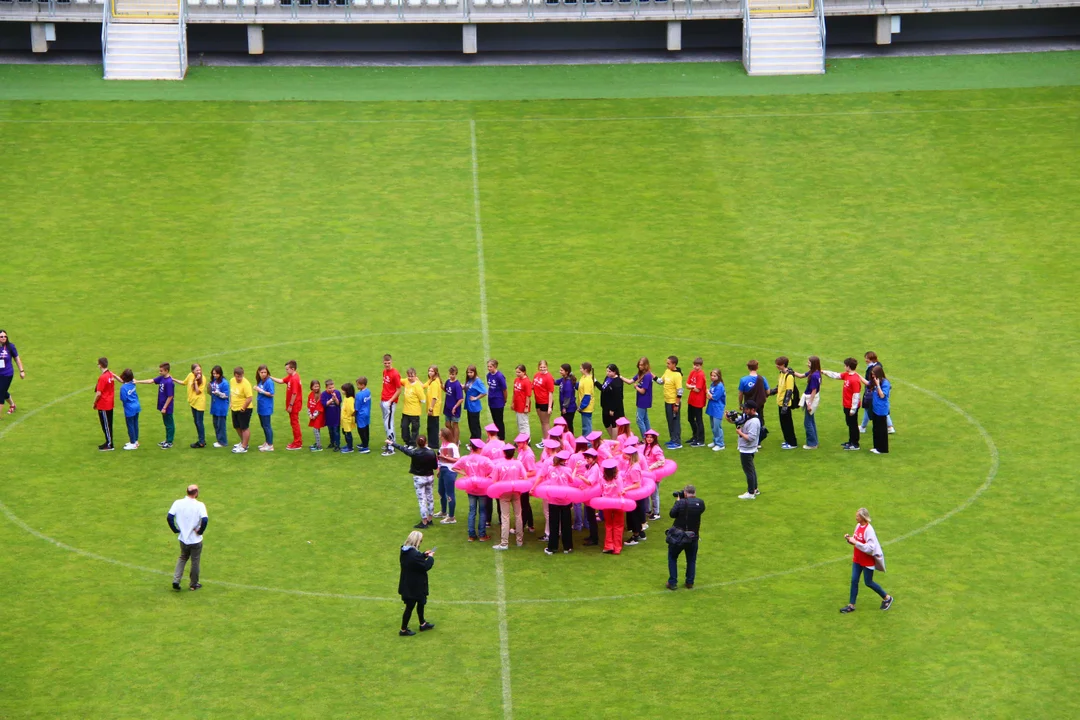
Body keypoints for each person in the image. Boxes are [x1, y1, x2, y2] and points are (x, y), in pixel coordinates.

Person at [840, 508, 893, 613]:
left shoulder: (869, 530)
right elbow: (856, 540)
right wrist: (849, 540)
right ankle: (851, 605)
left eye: (857, 516)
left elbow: (870, 548)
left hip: (866, 561)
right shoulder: (858, 526)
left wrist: (855, 542)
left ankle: (887, 598)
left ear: (863, 517)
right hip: (857, 559)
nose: (856, 517)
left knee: (868, 582)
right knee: (854, 580)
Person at [390, 435, 438, 528]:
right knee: (430, 497)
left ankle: (424, 522)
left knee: (422, 500)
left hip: (419, 478)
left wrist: (392, 443)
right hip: (429, 477)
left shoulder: (414, 453)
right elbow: (435, 467)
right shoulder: (431, 453)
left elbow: (403, 449)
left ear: (417, 443)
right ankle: (430, 518)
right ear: (426, 442)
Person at [167, 484, 208, 592]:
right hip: (195, 539)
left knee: (183, 557)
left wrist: (175, 529)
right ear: (196, 493)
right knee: (195, 561)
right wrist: (200, 531)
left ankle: (176, 580)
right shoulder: (199, 505)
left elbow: (169, 517)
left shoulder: (178, 503)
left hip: (183, 538)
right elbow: (204, 520)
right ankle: (193, 584)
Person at [666, 484, 706, 590]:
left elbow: (672, 514)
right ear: (695, 493)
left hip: (679, 536)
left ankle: (673, 582)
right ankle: (689, 582)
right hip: (693, 537)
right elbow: (700, 511)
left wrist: (678, 501)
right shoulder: (700, 503)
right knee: (691, 560)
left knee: (672, 557)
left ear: (685, 493)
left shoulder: (681, 503)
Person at [453, 439, 494, 541]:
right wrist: (487, 476)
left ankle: (471, 535)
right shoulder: (485, 460)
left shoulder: (465, 459)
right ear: (479, 448)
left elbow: (454, 467)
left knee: (472, 511)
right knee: (482, 511)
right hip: (482, 489)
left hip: (470, 488)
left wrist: (464, 474)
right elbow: (494, 470)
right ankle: (482, 535)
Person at [398, 531, 436, 636]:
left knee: (420, 602)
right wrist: (431, 557)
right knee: (410, 607)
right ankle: (403, 630)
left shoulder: (405, 550)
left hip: (409, 583)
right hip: (414, 585)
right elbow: (425, 566)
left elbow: (415, 561)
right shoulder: (414, 554)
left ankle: (422, 623)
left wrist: (423, 555)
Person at [492, 443, 527, 551]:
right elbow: (525, 478)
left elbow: (494, 481)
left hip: (504, 493)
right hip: (516, 492)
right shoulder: (518, 463)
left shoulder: (498, 465)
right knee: (518, 516)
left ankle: (504, 543)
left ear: (503, 453)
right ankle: (519, 541)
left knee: (505, 517)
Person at [135, 363, 175, 449]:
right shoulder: (162, 378)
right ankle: (167, 439)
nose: (159, 372)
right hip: (162, 405)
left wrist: (164, 407)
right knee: (166, 423)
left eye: (161, 371)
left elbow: (170, 396)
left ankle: (170, 441)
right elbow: (151, 381)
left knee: (169, 424)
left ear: (166, 371)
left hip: (167, 407)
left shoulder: (169, 382)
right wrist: (138, 381)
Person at [544, 451, 575, 555]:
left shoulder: (550, 469)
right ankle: (568, 547)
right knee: (566, 524)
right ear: (565, 460)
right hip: (565, 500)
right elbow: (571, 481)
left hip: (553, 500)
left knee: (554, 525)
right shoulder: (568, 470)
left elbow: (548, 479)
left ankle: (552, 547)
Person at [860, 352, 895, 435]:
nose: (865, 360)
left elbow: (882, 395)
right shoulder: (877, 366)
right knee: (879, 412)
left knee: (869, 409)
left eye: (867, 358)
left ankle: (863, 427)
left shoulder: (876, 371)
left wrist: (876, 386)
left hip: (873, 394)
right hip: (874, 394)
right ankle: (890, 427)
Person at [271, 360, 304, 451]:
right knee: (293, 423)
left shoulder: (294, 379)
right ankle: (297, 441)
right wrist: (271, 377)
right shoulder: (291, 376)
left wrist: (290, 405)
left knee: (295, 423)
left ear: (292, 369)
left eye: (287, 369)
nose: (286, 371)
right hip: (294, 404)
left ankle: (297, 443)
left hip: (294, 405)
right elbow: (281, 381)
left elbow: (294, 394)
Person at [732, 401, 761, 499]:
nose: (745, 410)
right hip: (748, 448)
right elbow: (736, 420)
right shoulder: (749, 417)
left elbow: (751, 437)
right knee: (751, 469)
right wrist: (729, 417)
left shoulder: (754, 422)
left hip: (747, 449)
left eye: (747, 409)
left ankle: (750, 493)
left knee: (748, 471)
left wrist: (740, 432)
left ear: (753, 410)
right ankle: (755, 489)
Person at [769, 356, 799, 449]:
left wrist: (785, 405)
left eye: (779, 364)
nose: (777, 366)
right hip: (780, 402)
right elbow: (779, 386)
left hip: (785, 404)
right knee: (783, 424)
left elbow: (789, 391)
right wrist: (771, 392)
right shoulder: (781, 373)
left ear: (784, 365)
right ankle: (787, 440)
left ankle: (792, 443)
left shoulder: (789, 376)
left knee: (788, 424)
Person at [655, 355, 683, 450]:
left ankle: (677, 442)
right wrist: (652, 375)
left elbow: (680, 391)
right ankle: (672, 439)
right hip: (667, 401)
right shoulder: (667, 371)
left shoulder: (677, 375)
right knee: (670, 421)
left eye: (668, 363)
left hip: (673, 402)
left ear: (674, 364)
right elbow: (661, 381)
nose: (667, 365)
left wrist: (677, 404)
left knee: (675, 422)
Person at [737, 360, 770, 444]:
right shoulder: (762, 379)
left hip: (748, 405)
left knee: (747, 421)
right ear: (757, 367)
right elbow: (768, 392)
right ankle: (758, 441)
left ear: (748, 368)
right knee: (759, 420)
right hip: (759, 404)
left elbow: (740, 394)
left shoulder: (743, 380)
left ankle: (748, 438)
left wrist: (740, 404)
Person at [177, 363, 208, 449]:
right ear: (192, 371)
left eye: (200, 369)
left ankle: (202, 442)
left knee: (199, 422)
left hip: (200, 403)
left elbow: (198, 391)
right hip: (193, 402)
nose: (199, 371)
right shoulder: (190, 375)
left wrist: (195, 382)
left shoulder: (203, 378)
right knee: (196, 421)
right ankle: (201, 440)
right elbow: (184, 382)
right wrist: (174, 379)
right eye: (197, 370)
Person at [793, 356, 822, 450]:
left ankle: (812, 444)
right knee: (811, 421)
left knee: (808, 422)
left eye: (809, 363)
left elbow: (813, 391)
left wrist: (809, 404)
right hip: (812, 398)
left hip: (810, 399)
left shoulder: (814, 375)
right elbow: (801, 376)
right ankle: (814, 441)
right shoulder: (815, 372)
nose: (807, 364)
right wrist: (791, 372)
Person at [598, 460, 626, 555]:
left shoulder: (602, 479)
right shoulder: (618, 479)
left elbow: (601, 490)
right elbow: (621, 491)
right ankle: (617, 548)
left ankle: (608, 546)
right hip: (618, 504)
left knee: (609, 525)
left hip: (607, 504)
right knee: (618, 526)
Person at [92, 357, 120, 451]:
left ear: (100, 365)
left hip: (104, 404)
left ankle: (109, 444)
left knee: (106, 425)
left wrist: (94, 403)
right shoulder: (110, 374)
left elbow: (99, 393)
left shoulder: (102, 377)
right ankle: (108, 441)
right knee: (108, 424)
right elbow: (118, 378)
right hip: (110, 403)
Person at [435, 428, 459, 524]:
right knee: (441, 491)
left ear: (444, 436)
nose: (438, 435)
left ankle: (451, 517)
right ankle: (443, 511)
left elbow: (457, 459)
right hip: (443, 470)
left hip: (449, 471)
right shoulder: (442, 445)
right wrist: (439, 469)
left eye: (440, 434)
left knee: (450, 494)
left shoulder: (452, 446)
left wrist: (445, 457)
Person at [380, 354, 403, 456]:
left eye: (388, 363)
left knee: (389, 424)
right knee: (387, 423)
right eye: (385, 363)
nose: (387, 365)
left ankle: (391, 448)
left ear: (391, 362)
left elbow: (399, 390)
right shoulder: (384, 372)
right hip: (384, 400)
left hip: (389, 402)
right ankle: (390, 443)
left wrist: (390, 401)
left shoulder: (395, 374)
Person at [626, 356, 654, 438]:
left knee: (639, 420)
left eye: (642, 365)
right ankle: (650, 436)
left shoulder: (647, 376)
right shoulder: (640, 374)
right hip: (642, 400)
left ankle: (645, 438)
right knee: (645, 419)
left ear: (646, 365)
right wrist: (620, 377)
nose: (640, 366)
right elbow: (630, 381)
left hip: (644, 400)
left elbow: (643, 391)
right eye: (639, 365)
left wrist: (636, 387)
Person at [229, 366, 254, 454]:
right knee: (236, 426)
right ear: (234, 375)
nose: (238, 378)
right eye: (237, 376)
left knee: (244, 427)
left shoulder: (246, 384)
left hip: (245, 409)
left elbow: (249, 398)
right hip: (234, 408)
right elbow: (232, 393)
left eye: (240, 376)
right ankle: (243, 442)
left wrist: (243, 408)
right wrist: (231, 403)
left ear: (243, 375)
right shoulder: (232, 381)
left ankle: (244, 446)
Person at [399, 368, 425, 449]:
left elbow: (423, 400)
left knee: (414, 429)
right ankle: (407, 441)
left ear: (415, 376)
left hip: (415, 412)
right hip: (406, 411)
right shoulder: (406, 381)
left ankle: (413, 444)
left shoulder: (418, 387)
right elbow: (398, 380)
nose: (410, 378)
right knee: (404, 426)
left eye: (412, 376)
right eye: (409, 376)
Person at [0, 330, 25, 415]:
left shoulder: (10, 347)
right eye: (1, 336)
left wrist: (21, 371)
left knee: (0, 393)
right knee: (3, 391)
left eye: (5, 336)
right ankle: (12, 405)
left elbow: (17, 359)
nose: (3, 338)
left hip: (7, 374)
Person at [532, 360, 556, 449]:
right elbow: (533, 386)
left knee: (545, 422)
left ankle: (547, 442)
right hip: (538, 401)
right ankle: (545, 440)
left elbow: (550, 393)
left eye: (544, 367)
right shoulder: (536, 375)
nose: (542, 368)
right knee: (542, 422)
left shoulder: (548, 377)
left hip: (545, 403)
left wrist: (549, 407)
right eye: (541, 367)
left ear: (547, 367)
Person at [868, 365, 892, 455]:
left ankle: (883, 449)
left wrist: (878, 385)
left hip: (881, 410)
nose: (873, 376)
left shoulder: (885, 383)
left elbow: (882, 395)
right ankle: (876, 447)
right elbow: (868, 383)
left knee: (882, 430)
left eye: (874, 374)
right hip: (875, 409)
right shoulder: (875, 381)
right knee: (876, 429)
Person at [685, 357, 707, 447]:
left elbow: (698, 389)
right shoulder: (692, 372)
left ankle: (700, 440)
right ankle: (695, 436)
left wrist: (691, 386)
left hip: (698, 401)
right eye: (694, 365)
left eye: (697, 366)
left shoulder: (701, 375)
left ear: (701, 366)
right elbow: (686, 385)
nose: (695, 367)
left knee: (698, 420)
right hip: (692, 400)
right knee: (690, 418)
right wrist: (692, 387)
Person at [599, 363, 626, 438]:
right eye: (607, 371)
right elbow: (603, 388)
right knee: (606, 422)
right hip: (605, 406)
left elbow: (618, 397)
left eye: (609, 371)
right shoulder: (607, 378)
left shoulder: (617, 382)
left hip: (614, 408)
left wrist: (612, 409)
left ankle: (615, 441)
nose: (607, 373)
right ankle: (614, 439)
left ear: (615, 372)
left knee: (614, 423)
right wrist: (596, 382)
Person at [208, 366, 230, 449]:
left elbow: (226, 395)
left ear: (220, 373)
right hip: (215, 406)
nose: (215, 375)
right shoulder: (214, 381)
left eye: (216, 374)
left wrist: (218, 393)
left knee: (221, 425)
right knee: (216, 424)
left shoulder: (224, 383)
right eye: (213, 374)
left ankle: (223, 442)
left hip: (221, 407)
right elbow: (211, 392)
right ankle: (219, 440)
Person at [254, 364, 275, 452]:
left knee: (267, 426)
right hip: (261, 407)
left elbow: (271, 393)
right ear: (258, 372)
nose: (263, 374)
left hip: (266, 407)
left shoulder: (269, 381)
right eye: (261, 372)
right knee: (263, 425)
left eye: (265, 372)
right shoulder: (261, 381)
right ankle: (267, 442)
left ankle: (270, 445)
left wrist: (260, 390)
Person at [486, 359, 508, 440]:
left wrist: (504, 399)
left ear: (495, 366)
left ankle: (501, 437)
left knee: (499, 421)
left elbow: (504, 389)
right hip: (491, 401)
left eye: (490, 367)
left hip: (498, 401)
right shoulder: (488, 375)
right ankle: (496, 436)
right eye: (488, 366)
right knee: (495, 420)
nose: (489, 368)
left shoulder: (499, 376)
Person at [118, 369, 140, 450]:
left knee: (130, 425)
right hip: (137, 406)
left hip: (129, 408)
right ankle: (136, 440)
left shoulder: (123, 388)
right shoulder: (133, 383)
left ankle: (132, 443)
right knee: (135, 423)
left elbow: (123, 398)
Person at [463, 364, 487, 441]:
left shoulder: (477, 381)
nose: (469, 374)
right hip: (470, 406)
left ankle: (477, 441)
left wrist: (476, 398)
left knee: (475, 425)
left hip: (474, 407)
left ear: (474, 372)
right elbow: (468, 387)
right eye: (468, 372)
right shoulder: (470, 380)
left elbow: (484, 392)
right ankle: (473, 440)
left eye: (471, 372)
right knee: (471, 424)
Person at [705, 368, 726, 451]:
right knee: (713, 426)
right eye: (711, 375)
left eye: (714, 376)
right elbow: (709, 397)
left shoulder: (720, 386)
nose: (712, 377)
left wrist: (708, 392)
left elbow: (714, 397)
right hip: (712, 408)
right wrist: (709, 394)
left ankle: (720, 444)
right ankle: (715, 441)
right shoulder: (713, 384)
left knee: (717, 427)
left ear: (719, 376)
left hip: (718, 409)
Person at [443, 365, 464, 446]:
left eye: (453, 374)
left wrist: (455, 407)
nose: (451, 376)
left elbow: (461, 399)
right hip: (447, 407)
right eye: (450, 374)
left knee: (455, 425)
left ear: (456, 374)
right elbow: (445, 389)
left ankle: (456, 442)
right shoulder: (448, 382)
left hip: (455, 409)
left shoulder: (457, 385)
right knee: (447, 424)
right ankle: (453, 438)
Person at [511, 364, 533, 439]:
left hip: (522, 405)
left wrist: (526, 406)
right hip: (517, 404)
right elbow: (514, 392)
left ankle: (527, 440)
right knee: (519, 423)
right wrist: (513, 402)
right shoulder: (516, 380)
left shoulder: (527, 382)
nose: (517, 374)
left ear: (524, 372)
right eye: (516, 372)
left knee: (524, 423)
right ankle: (521, 438)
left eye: (519, 372)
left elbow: (528, 395)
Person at [424, 366, 443, 451]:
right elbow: (423, 386)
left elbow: (434, 397)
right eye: (429, 371)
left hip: (433, 409)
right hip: (432, 408)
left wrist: (431, 408)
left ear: (435, 372)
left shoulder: (435, 383)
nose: (430, 372)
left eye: (432, 371)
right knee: (431, 426)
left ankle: (434, 444)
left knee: (433, 427)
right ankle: (431, 443)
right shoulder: (431, 380)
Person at [321, 378, 343, 452]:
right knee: (330, 431)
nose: (332, 389)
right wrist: (331, 400)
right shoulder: (323, 394)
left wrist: (335, 398)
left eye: (333, 387)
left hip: (336, 416)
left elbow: (338, 403)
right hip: (329, 417)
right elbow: (324, 404)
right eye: (330, 388)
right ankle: (332, 443)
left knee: (336, 431)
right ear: (326, 387)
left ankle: (337, 445)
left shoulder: (337, 393)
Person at [557, 363, 577, 434]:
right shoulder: (564, 379)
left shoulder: (568, 382)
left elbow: (567, 397)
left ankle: (570, 440)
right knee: (566, 424)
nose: (560, 371)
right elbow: (556, 382)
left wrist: (564, 407)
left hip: (569, 408)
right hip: (567, 407)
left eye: (561, 370)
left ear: (567, 372)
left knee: (568, 425)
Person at [576, 362, 596, 437]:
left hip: (586, 407)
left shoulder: (588, 380)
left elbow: (587, 396)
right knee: (585, 426)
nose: (580, 370)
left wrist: (581, 407)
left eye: (581, 368)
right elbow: (579, 386)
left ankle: (588, 444)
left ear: (586, 370)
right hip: (584, 407)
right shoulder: (583, 377)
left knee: (587, 427)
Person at [306, 379, 325, 452]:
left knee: (315, 430)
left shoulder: (321, 396)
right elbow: (308, 405)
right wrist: (309, 414)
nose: (316, 388)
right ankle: (317, 443)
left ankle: (319, 446)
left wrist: (314, 416)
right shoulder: (310, 394)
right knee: (317, 430)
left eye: (318, 386)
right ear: (311, 387)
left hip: (318, 417)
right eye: (315, 386)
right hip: (313, 416)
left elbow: (319, 408)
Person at [355, 376, 372, 454]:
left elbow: (357, 408)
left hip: (361, 415)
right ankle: (365, 444)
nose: (357, 386)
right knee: (366, 429)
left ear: (362, 385)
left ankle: (365, 447)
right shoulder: (368, 391)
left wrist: (352, 414)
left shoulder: (359, 395)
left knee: (361, 431)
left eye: (358, 385)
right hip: (367, 413)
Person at [340, 382, 357, 453]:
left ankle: (350, 448)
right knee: (345, 432)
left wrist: (348, 417)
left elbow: (351, 410)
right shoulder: (346, 397)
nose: (342, 391)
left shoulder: (350, 399)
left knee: (348, 434)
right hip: (344, 419)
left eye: (343, 390)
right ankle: (348, 445)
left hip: (347, 419)